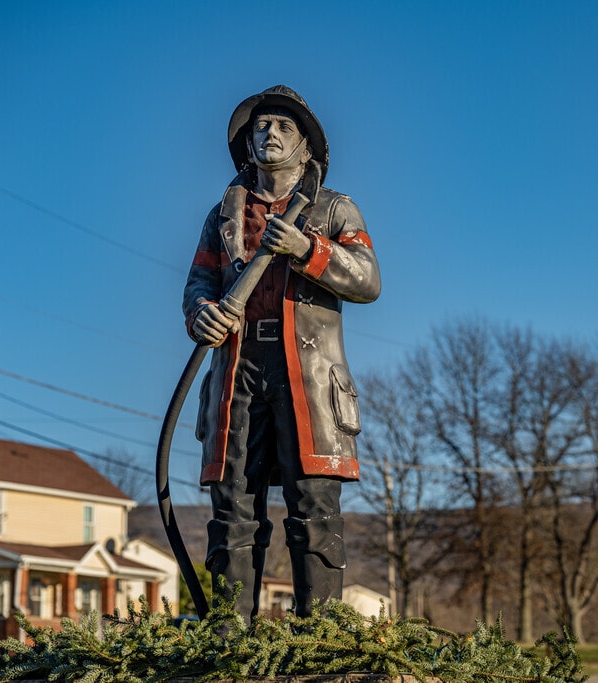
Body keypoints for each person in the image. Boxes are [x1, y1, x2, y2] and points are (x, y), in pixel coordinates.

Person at [182, 85, 380, 620]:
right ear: (246, 144)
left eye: (282, 127)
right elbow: (199, 282)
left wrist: (308, 249)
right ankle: (227, 635)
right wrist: (202, 311)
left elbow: (367, 279)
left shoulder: (335, 209)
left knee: (313, 502)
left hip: (306, 375)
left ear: (306, 147)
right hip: (237, 369)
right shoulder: (223, 214)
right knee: (233, 505)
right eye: (260, 127)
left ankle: (317, 635)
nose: (269, 135)